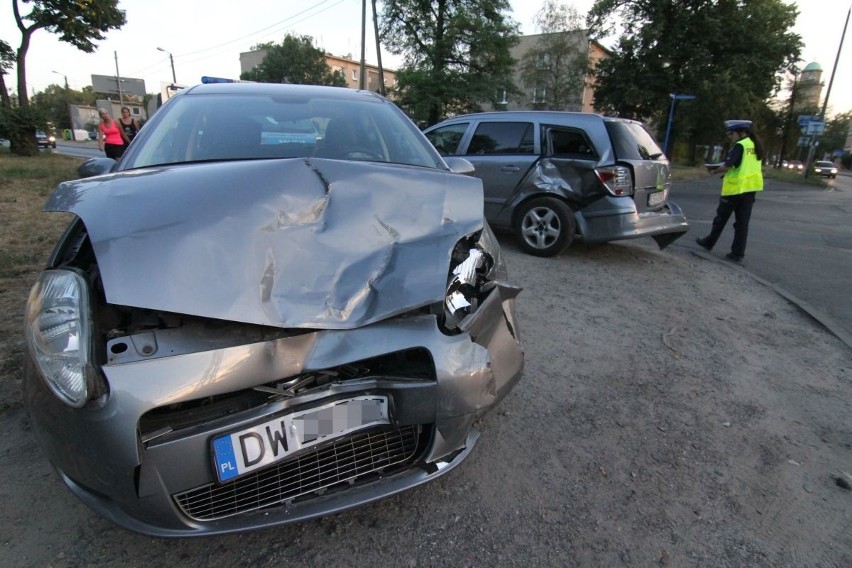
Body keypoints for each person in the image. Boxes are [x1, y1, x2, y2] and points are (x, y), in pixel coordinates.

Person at [696, 119, 765, 262]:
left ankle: (709, 242)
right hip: (750, 189)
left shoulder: (740, 145)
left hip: (735, 189)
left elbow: (728, 166)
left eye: (731, 133)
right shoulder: (755, 145)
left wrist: (714, 170)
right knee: (742, 224)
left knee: (720, 218)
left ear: (740, 133)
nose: (729, 136)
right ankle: (737, 253)